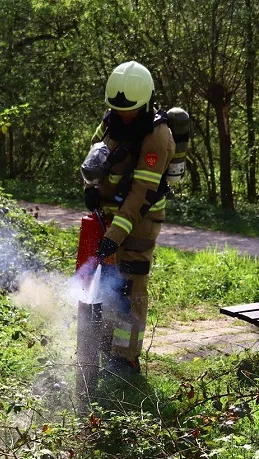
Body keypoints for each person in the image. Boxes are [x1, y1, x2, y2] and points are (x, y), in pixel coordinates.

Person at [82, 61, 175, 374]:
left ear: (146, 102)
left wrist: (114, 236)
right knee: (108, 284)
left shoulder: (157, 135)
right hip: (108, 218)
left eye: (130, 111)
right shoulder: (114, 120)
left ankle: (126, 358)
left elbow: (141, 194)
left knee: (128, 288)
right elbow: (96, 156)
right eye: (118, 110)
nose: (124, 116)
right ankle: (108, 348)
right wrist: (91, 188)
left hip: (139, 222)